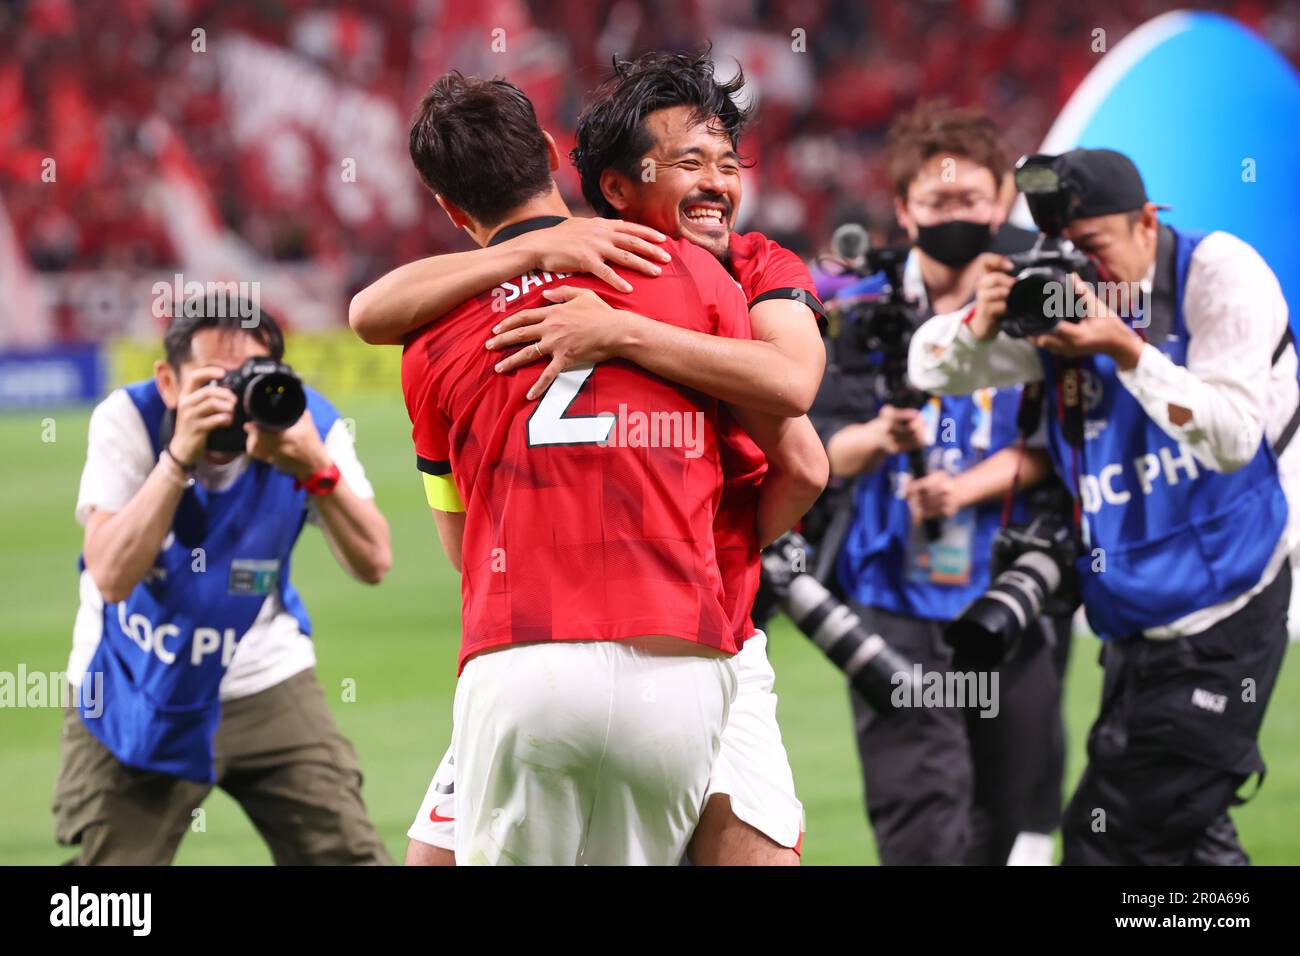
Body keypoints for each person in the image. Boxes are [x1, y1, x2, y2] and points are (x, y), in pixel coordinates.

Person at [352, 51, 827, 866]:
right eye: (689, 162)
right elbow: (805, 463)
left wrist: (613, 329)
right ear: (554, 154)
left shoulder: (431, 333)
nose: (715, 181)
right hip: (688, 640)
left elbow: (459, 544)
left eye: (724, 162)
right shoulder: (704, 278)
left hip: (528, 646)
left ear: (444, 203)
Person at [908, 146, 1298, 865]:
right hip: (1135, 619)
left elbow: (1234, 437)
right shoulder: (1064, 303)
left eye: (1093, 247)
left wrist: (1127, 350)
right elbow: (928, 367)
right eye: (1064, 250)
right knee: (1187, 839)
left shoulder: (1217, 274)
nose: (1082, 270)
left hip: (1227, 607)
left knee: (1103, 839)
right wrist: (978, 322)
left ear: (1148, 223)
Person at [809, 102, 1069, 865]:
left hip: (1009, 595)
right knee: (922, 821)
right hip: (892, 599)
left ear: (1000, 203)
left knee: (1010, 819)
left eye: (970, 199)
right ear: (903, 208)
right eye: (936, 200)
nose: (955, 213)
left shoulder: (1038, 302)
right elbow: (817, 443)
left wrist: (965, 489)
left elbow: (1060, 445)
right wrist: (878, 438)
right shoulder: (854, 306)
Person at [53, 295, 393, 865]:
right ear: (167, 381)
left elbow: (374, 561)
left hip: (262, 676)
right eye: (213, 380)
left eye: (248, 379)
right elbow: (110, 576)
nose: (234, 399)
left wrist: (317, 469)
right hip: (135, 675)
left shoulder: (308, 424)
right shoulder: (130, 420)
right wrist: (177, 459)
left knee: (349, 856)